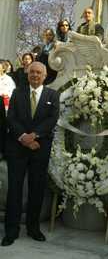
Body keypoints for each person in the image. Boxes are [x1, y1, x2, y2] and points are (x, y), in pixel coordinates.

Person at [2, 62, 60, 246]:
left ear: (44, 76)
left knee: (37, 189)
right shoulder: (17, 93)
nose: (35, 75)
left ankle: (33, 228)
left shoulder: (53, 95)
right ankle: (11, 230)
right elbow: (11, 117)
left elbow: (52, 119)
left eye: (38, 73)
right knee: (15, 190)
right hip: (17, 147)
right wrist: (23, 138)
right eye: (32, 72)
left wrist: (34, 136)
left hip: (40, 147)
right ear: (28, 74)